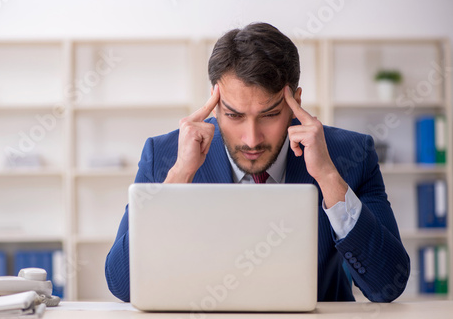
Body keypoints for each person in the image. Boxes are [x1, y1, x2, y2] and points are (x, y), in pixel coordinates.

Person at [105, 22, 410, 303]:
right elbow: (122, 285)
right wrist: (179, 176)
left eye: (269, 115)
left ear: (296, 102)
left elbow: (387, 286)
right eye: (234, 115)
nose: (251, 139)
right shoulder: (165, 156)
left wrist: (328, 177)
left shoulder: (350, 154)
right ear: (214, 102)